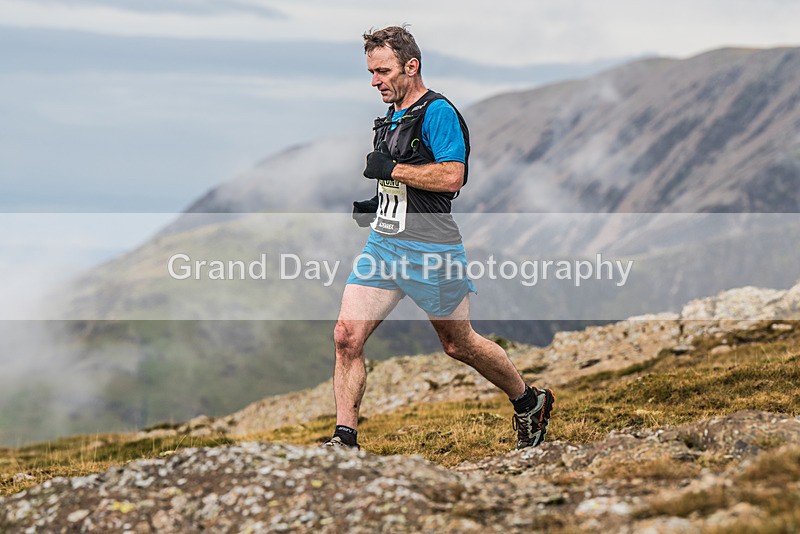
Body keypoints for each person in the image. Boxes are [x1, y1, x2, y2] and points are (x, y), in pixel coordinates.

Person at [323, 25, 554, 450]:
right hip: (385, 246)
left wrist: (391, 171)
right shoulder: (392, 114)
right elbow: (405, 180)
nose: (375, 81)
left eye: (383, 71)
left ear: (412, 66)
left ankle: (528, 401)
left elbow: (451, 177)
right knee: (345, 336)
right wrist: (380, 204)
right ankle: (345, 440)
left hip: (432, 249)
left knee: (458, 343)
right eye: (371, 72)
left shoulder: (439, 112)